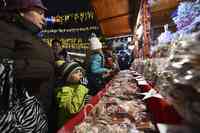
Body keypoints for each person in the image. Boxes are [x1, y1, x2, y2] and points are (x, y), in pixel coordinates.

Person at [0, 0, 55, 132]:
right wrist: (42, 68)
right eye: (40, 12)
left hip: (40, 110)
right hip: (22, 117)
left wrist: (61, 66)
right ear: (22, 11)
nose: (44, 18)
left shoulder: (31, 34)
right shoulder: (4, 29)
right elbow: (3, 68)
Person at [55, 60, 90, 128]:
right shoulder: (63, 91)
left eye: (80, 71)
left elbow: (78, 100)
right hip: (67, 125)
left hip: (77, 121)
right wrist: (82, 88)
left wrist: (85, 99)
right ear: (68, 77)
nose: (80, 74)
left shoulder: (76, 85)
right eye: (76, 72)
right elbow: (72, 109)